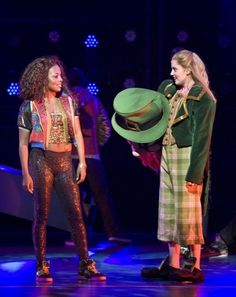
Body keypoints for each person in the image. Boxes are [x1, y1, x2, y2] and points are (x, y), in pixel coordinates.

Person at [112, 49, 216, 283]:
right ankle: (173, 264)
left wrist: (195, 173)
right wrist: (142, 144)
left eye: (175, 69)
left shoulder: (203, 98)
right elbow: (155, 121)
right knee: (168, 209)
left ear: (188, 70)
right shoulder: (168, 90)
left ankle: (194, 267)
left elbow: (202, 138)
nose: (171, 73)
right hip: (168, 154)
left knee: (188, 211)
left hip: (187, 156)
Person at [17, 56, 106, 283]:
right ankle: (42, 264)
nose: (60, 79)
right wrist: (26, 173)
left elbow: (77, 133)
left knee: (76, 213)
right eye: (54, 76)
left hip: (65, 159)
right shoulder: (30, 106)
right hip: (41, 159)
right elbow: (23, 143)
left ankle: (85, 263)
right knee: (42, 214)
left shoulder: (68, 101)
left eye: (60, 75)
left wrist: (83, 162)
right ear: (42, 79)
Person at [66, 67, 131, 244]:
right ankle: (113, 232)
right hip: (92, 155)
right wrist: (95, 143)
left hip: (71, 156)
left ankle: (79, 236)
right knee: (102, 196)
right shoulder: (94, 101)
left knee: (75, 198)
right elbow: (105, 128)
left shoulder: (65, 102)